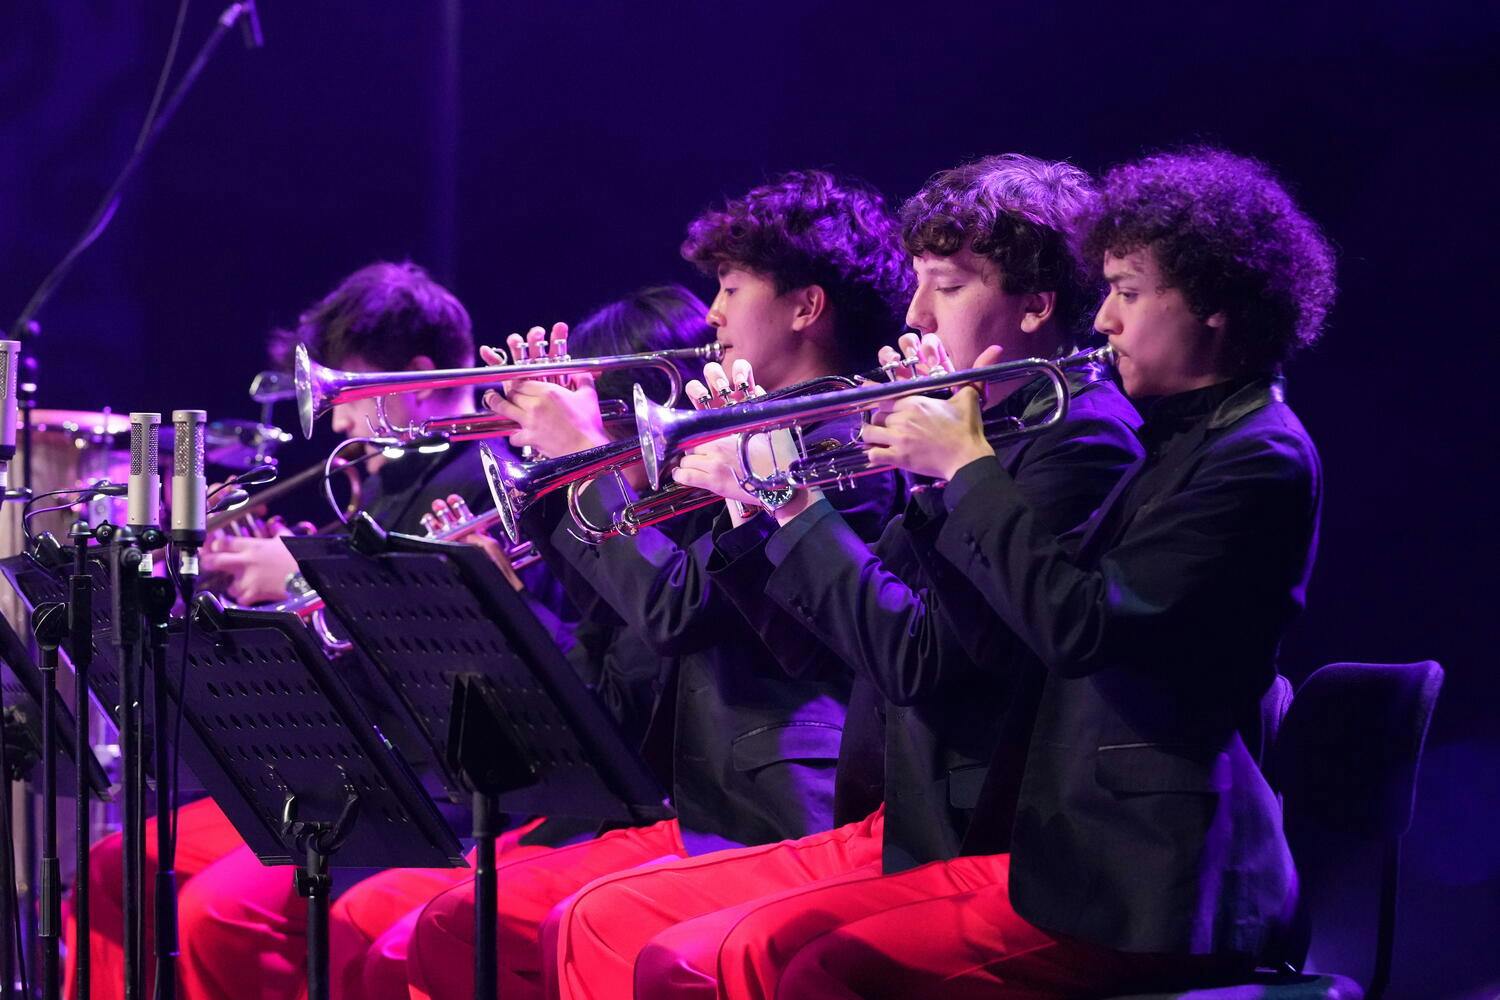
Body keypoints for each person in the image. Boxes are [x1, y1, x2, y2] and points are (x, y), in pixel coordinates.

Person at [544, 154, 1143, 999]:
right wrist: (758, 506)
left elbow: (912, 658)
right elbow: (817, 643)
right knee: (606, 921)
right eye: (918, 284)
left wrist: (790, 499)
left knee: (718, 950)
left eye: (947, 285)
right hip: (894, 808)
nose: (915, 312)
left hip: (973, 823)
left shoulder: (1077, 438)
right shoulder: (973, 432)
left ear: (1038, 305)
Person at [760, 147, 1335, 997]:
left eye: (1129, 293)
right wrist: (938, 484)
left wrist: (967, 469)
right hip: (1077, 853)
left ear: (1213, 304)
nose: (1103, 319)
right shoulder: (1180, 436)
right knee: (803, 954)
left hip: (1149, 882)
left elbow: (1077, 626)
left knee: (833, 972)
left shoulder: (1259, 457)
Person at [403, 169, 913, 1000]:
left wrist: (578, 458)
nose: (710, 312)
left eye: (731, 286)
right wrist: (559, 479)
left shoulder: (849, 447)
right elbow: (636, 614)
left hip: (780, 798)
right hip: (695, 789)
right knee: (462, 913)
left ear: (805, 307)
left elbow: (674, 610)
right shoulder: (752, 429)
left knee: (548, 919)